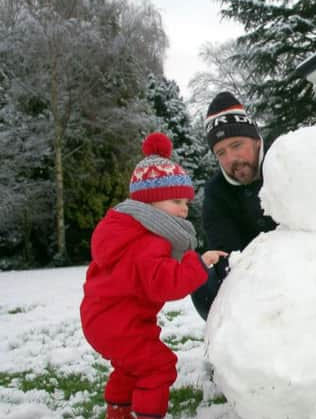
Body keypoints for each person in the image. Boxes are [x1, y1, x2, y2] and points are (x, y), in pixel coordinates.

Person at [80, 132, 227, 419]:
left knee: (130, 366)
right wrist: (199, 263)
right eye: (176, 201)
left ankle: (118, 412)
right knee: (158, 366)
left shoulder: (129, 231)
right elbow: (164, 283)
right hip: (121, 323)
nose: (184, 209)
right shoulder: (148, 240)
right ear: (150, 202)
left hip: (105, 319)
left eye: (186, 202)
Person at [191, 92, 277, 320]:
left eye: (237, 145)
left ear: (257, 140)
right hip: (252, 279)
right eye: (221, 153)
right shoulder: (216, 192)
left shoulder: (284, 163)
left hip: (304, 264)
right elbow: (226, 253)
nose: (230, 159)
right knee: (201, 278)